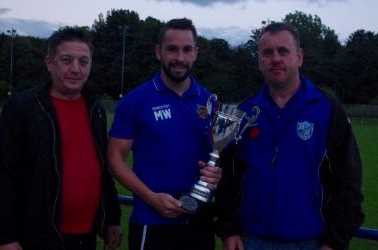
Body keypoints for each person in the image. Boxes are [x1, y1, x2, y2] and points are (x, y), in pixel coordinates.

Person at [215, 22, 364, 250]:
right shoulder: (243, 113)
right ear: (260, 61)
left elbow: (349, 178)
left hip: (311, 242)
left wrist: (336, 240)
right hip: (251, 241)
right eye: (267, 52)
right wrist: (229, 229)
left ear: (299, 57)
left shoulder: (326, 108)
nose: (275, 58)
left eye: (283, 51)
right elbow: (226, 179)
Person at [0, 27, 122, 250]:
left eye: (84, 61)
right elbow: (2, 175)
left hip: (86, 237)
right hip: (38, 237)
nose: (76, 69)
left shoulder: (95, 108)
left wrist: (113, 219)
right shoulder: (23, 108)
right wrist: (6, 237)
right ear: (49, 62)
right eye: (67, 60)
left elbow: (102, 171)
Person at [107, 18, 221, 250]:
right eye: (172, 49)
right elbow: (114, 159)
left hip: (199, 221)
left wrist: (216, 174)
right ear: (159, 52)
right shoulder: (135, 101)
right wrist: (151, 198)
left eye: (187, 49)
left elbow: (218, 157)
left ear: (195, 53)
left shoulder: (210, 101)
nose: (180, 58)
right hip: (153, 222)